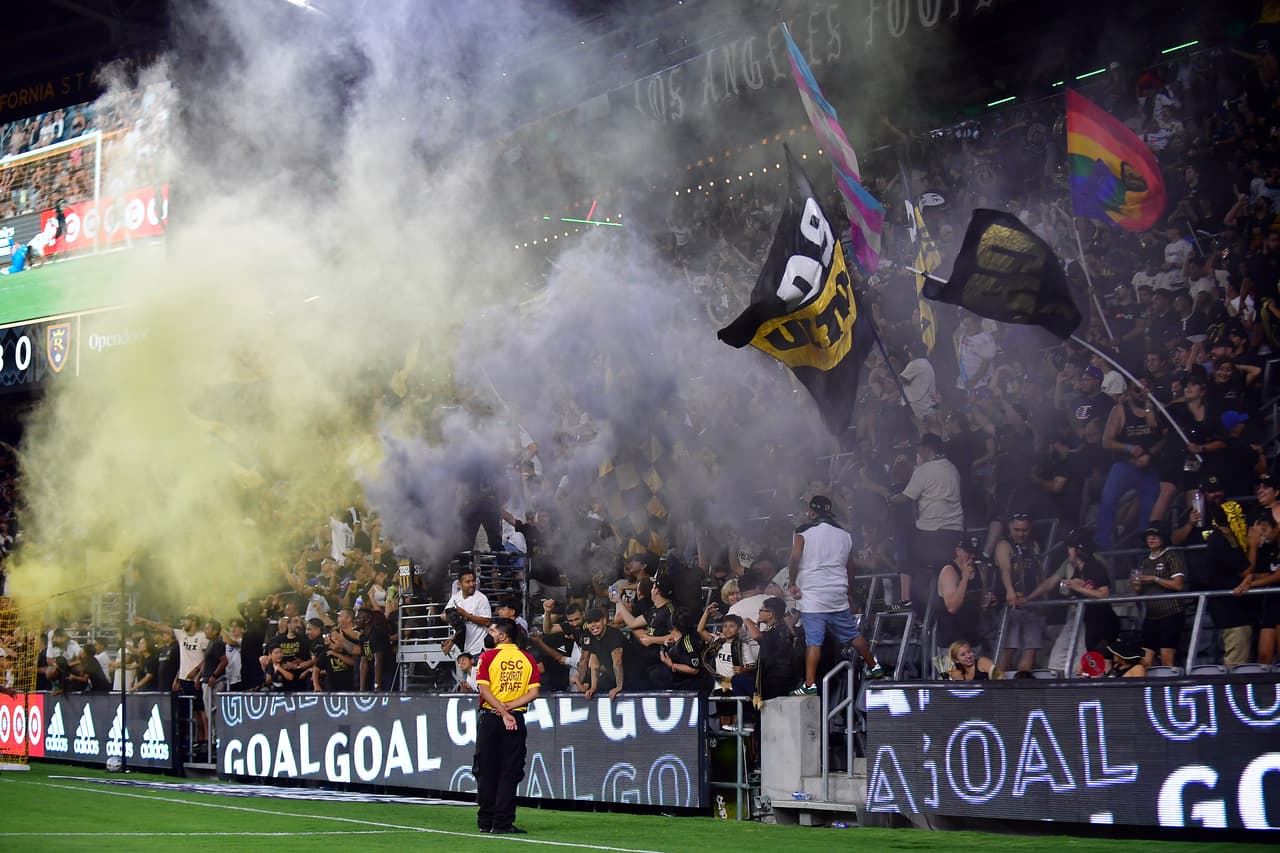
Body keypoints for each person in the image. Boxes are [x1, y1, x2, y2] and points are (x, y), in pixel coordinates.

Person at [786, 495, 883, 695]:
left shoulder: (803, 531)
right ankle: (874, 666)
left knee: (813, 641)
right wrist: (848, 592)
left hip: (813, 594)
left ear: (811, 512)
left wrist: (793, 582)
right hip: (836, 592)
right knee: (852, 634)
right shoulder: (845, 534)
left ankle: (810, 684)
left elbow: (795, 559)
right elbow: (850, 567)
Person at [872, 433, 964, 611]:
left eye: (920, 448)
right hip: (954, 531)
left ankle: (910, 601)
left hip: (932, 533)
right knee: (944, 568)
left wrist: (888, 498)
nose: (918, 451)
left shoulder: (924, 470)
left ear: (927, 449)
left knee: (907, 555)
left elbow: (906, 497)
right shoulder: (952, 468)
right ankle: (943, 600)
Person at [473, 618, 540, 836]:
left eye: (492, 630)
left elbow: (484, 690)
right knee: (510, 772)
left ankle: (485, 821)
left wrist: (501, 711)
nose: (489, 634)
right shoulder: (527, 658)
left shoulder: (488, 656)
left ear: (502, 636)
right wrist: (509, 710)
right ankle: (502, 822)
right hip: (515, 718)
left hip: (491, 718)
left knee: (486, 770)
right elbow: (533, 693)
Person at [1095, 380, 1164, 550]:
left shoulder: (1157, 409)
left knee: (1149, 509)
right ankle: (1103, 548)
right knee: (1108, 501)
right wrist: (1129, 448)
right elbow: (1106, 441)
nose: (1141, 392)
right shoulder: (1119, 410)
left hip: (1150, 467)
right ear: (1129, 390)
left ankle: (1145, 552)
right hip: (1125, 465)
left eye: (1146, 388)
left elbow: (1164, 437)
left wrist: (1150, 454)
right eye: (1137, 389)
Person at [994, 513, 1044, 675]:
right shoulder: (1003, 545)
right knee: (1009, 647)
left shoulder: (1034, 545)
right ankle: (999, 685)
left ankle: (1023, 683)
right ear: (1009, 526)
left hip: (1031, 603)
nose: (1021, 534)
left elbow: (1039, 573)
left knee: (1031, 647)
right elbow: (1005, 569)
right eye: (1017, 529)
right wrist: (1010, 593)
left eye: (1025, 530)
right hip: (1010, 605)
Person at [1134, 523, 1187, 667]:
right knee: (1144, 660)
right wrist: (1137, 585)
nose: (1151, 538)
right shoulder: (1145, 561)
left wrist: (1154, 578)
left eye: (1155, 535)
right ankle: (1148, 689)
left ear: (1163, 538)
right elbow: (1140, 591)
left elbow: (1178, 585)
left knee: (1166, 659)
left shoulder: (1171, 555)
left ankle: (1169, 688)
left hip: (1171, 614)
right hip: (1151, 615)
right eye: (1148, 536)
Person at [576, 608, 626, 699]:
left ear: (604, 620)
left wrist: (618, 687)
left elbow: (617, 661)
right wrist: (593, 688)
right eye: (590, 622)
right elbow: (594, 663)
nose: (593, 625)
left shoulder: (614, 634)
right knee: (599, 689)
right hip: (612, 675)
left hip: (630, 674)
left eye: (596, 621)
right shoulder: (588, 635)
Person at [442, 568, 492, 658]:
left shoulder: (481, 598)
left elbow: (487, 622)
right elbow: (444, 615)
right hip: (463, 651)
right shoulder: (455, 597)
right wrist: (450, 616)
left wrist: (465, 614)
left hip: (478, 649)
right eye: (467, 582)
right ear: (459, 584)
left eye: (473, 581)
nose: (472, 584)